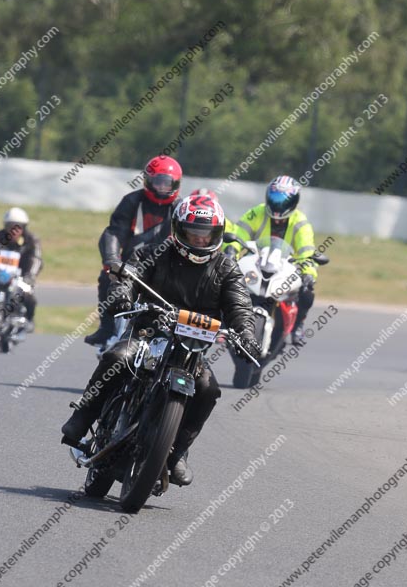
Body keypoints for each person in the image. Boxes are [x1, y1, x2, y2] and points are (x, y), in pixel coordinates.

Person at [61, 194, 260, 486]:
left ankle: (177, 452)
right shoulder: (153, 253)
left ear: (217, 234)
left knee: (208, 390)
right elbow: (129, 278)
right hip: (148, 330)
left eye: (206, 235)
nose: (200, 240)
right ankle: (83, 416)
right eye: (193, 233)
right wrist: (122, 295)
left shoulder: (227, 268)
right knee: (118, 357)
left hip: (191, 348)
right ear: (178, 230)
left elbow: (240, 306)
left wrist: (246, 335)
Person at [84, 155, 182, 347]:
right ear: (148, 181)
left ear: (176, 184)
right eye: (158, 182)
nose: (162, 187)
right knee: (107, 277)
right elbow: (114, 232)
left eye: (167, 183)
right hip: (131, 265)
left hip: (167, 269)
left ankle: (179, 340)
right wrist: (112, 260)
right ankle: (106, 328)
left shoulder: (180, 208)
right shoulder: (132, 201)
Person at [226, 175, 318, 345]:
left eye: (283, 201)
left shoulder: (301, 222)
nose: (278, 206)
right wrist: (231, 250)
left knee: (307, 292)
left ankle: (298, 326)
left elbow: (307, 251)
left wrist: (308, 273)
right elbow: (239, 233)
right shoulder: (256, 212)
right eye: (275, 199)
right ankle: (222, 318)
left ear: (294, 202)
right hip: (255, 263)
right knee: (227, 279)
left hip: (284, 269)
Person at [0, 208, 42, 332]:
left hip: (22, 276)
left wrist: (30, 275)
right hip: (0, 274)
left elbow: (36, 259)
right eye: (10, 226)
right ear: (5, 226)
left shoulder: (31, 240)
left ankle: (29, 319)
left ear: (24, 228)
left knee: (28, 294)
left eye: (18, 227)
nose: (14, 231)